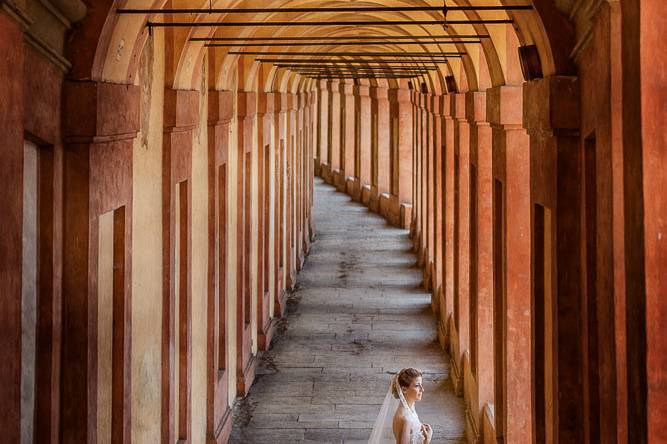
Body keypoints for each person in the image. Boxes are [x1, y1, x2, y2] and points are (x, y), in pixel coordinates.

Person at [368, 368, 433, 444]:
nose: (422, 389)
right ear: (404, 389)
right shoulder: (405, 419)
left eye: (421, 385)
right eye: (417, 385)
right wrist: (427, 441)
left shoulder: (410, 410)